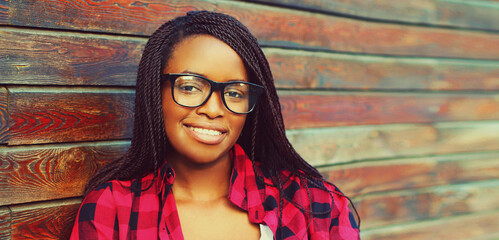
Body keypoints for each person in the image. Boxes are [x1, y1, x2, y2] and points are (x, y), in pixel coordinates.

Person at [70, 10, 360, 240]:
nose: (212, 109)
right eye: (190, 87)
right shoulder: (111, 210)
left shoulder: (316, 205)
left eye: (234, 93)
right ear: (154, 94)